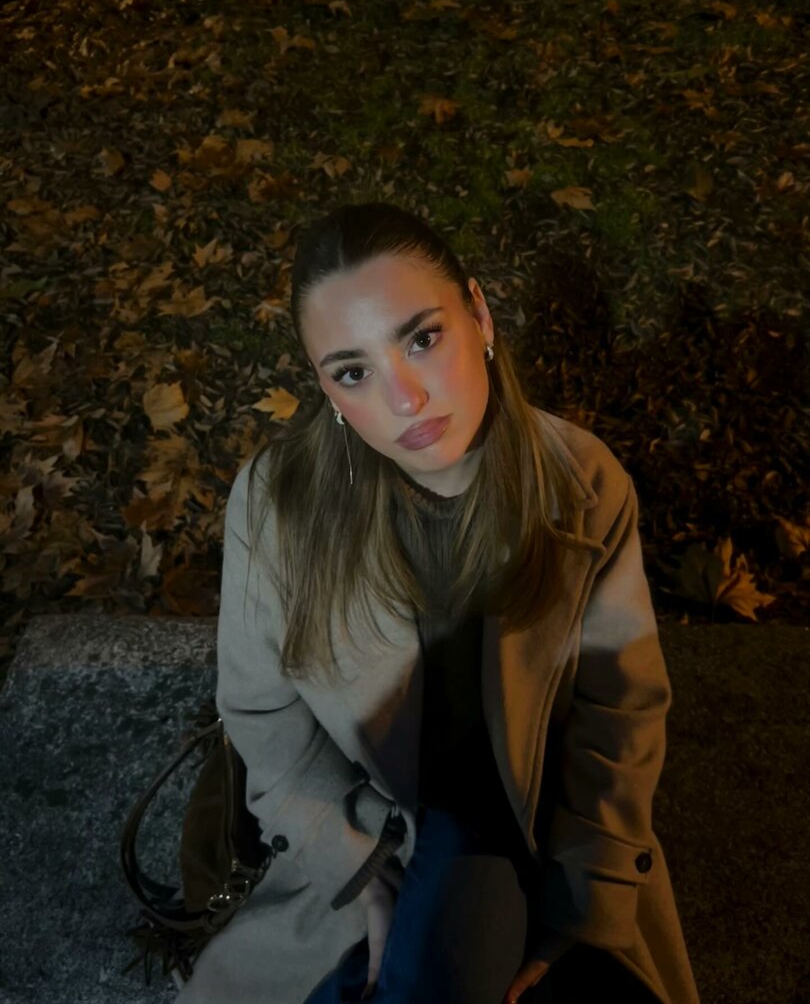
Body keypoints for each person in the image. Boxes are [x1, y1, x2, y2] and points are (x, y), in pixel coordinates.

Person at [174, 202, 700, 1004]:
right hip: (376, 839)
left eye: (422, 338)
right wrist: (357, 874)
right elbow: (262, 715)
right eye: (353, 372)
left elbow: (620, 708)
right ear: (325, 388)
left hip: (543, 833)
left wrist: (586, 896)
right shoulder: (281, 504)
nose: (406, 398)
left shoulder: (582, 482)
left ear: (479, 315)